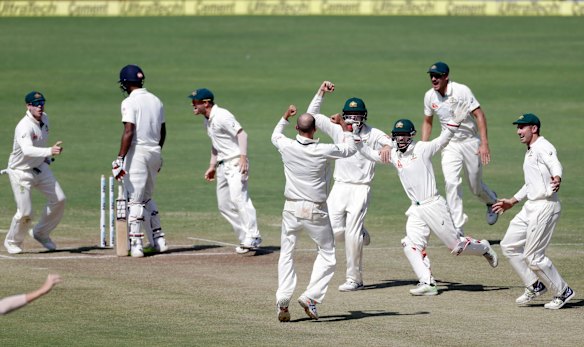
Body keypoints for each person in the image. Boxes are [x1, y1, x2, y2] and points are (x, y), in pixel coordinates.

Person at [359, 104, 498, 296]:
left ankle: (483, 248)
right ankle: (428, 283)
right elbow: (371, 154)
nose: (401, 139)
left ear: (412, 135)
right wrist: (354, 140)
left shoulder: (422, 149)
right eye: (397, 135)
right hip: (416, 209)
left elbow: (442, 140)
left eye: (404, 135)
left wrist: (454, 123)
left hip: (433, 205)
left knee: (456, 247)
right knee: (410, 244)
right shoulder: (393, 155)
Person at [272, 105, 358, 321]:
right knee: (328, 254)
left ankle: (283, 298)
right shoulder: (322, 150)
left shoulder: (287, 145)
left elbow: (275, 135)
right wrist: (342, 126)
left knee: (287, 253)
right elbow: (350, 150)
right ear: (315, 130)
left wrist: (285, 116)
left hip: (290, 208)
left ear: (297, 129)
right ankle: (310, 297)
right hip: (315, 209)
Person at [306, 81, 391, 292]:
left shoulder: (372, 134)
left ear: (364, 116)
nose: (353, 119)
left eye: (358, 115)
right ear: (344, 116)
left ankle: (355, 279)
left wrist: (388, 146)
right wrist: (321, 93)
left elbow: (388, 142)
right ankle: (361, 234)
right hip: (340, 186)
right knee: (332, 232)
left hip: (361, 187)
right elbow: (311, 116)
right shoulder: (337, 130)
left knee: (351, 236)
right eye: (349, 115)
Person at [493, 113, 575, 310]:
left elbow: (555, 163)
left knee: (533, 257)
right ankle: (535, 285)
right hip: (530, 206)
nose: (518, 131)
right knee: (509, 245)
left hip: (545, 206)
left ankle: (563, 291)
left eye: (522, 127)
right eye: (518, 127)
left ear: (534, 129)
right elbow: (530, 182)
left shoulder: (543, 146)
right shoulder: (530, 150)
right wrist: (513, 201)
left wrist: (557, 177)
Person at [421, 61, 498, 236]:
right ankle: (458, 230)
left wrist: (484, 143)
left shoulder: (462, 91)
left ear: (446, 77)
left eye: (437, 76)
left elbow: (479, 115)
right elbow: (427, 121)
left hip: (470, 142)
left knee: (475, 187)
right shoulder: (429, 96)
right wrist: (423, 148)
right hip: (449, 144)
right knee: (451, 183)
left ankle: (492, 201)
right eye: (431, 76)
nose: (434, 79)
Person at [189, 88, 261, 254]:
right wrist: (212, 166)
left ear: (206, 103)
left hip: (236, 162)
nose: (192, 105)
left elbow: (242, 135)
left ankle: (254, 236)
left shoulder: (222, 115)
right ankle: (246, 238)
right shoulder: (207, 120)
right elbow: (216, 145)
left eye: (195, 102)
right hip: (222, 165)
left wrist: (243, 157)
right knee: (224, 205)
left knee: (239, 199)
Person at [112, 64, 167, 258]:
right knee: (147, 197)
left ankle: (136, 244)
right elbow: (163, 131)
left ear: (126, 83)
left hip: (138, 152)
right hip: (154, 151)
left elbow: (129, 131)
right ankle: (159, 241)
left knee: (134, 199)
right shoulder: (156, 100)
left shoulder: (129, 102)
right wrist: (158, 153)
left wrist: (120, 158)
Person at [3, 91, 65, 254]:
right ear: (28, 106)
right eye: (35, 104)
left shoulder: (44, 118)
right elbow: (27, 150)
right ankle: (12, 241)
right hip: (21, 172)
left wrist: (46, 158)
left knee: (59, 199)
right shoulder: (24, 126)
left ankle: (41, 233)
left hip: (41, 168)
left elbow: (40, 142)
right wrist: (49, 151)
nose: (39, 106)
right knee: (25, 212)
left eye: (41, 103)